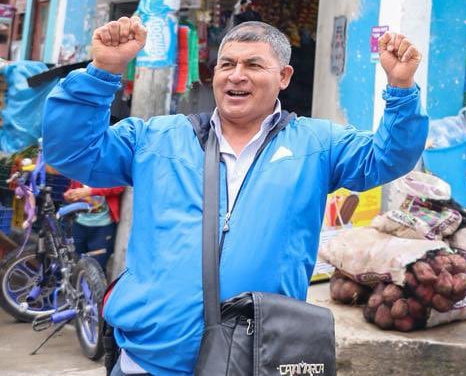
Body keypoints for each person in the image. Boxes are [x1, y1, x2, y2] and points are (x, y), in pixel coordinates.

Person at [43, 19, 429, 376]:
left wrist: (400, 90)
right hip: (150, 359)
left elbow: (387, 157)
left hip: (257, 356)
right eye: (227, 64)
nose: (236, 75)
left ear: (284, 76)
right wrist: (101, 73)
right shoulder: (157, 139)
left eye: (253, 65)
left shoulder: (318, 144)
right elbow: (72, 152)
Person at [63, 180, 124, 272]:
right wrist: (69, 194)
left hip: (103, 227)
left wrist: (90, 191)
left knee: (97, 267)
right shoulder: (80, 170)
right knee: (75, 263)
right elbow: (73, 188)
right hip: (78, 224)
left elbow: (119, 187)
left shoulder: (108, 171)